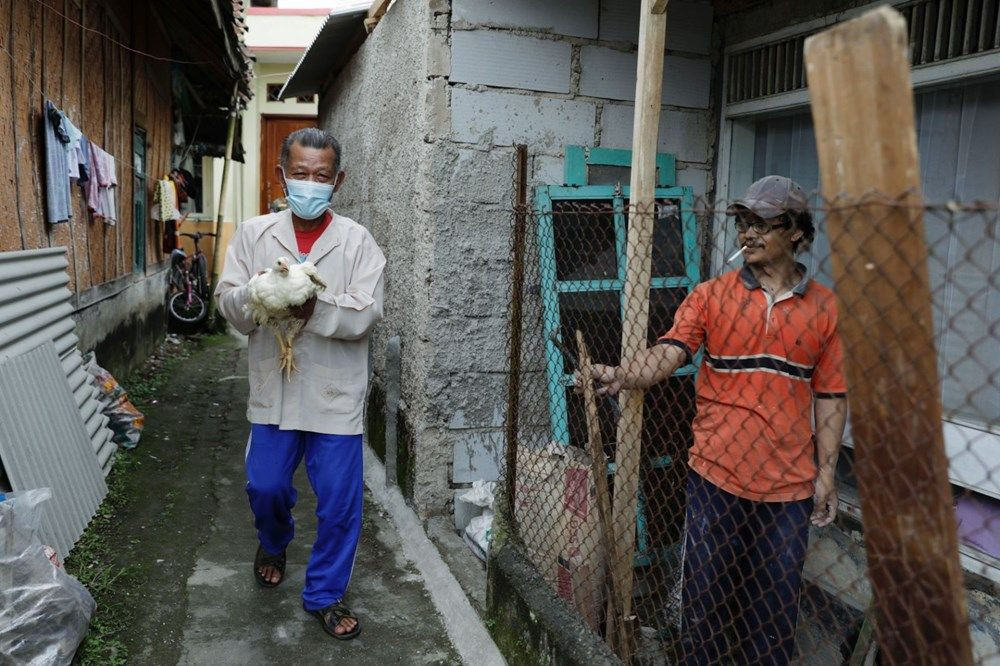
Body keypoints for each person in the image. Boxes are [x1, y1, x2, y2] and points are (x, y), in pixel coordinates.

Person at [580, 176, 847, 664]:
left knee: (772, 618)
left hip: (788, 489)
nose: (747, 233)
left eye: (761, 223)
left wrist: (826, 472)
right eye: (743, 222)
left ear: (795, 232)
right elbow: (668, 352)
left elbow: (830, 396)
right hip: (715, 477)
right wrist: (621, 374)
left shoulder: (825, 310)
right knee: (703, 608)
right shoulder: (711, 296)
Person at [215, 127, 385, 641]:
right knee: (265, 486)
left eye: (321, 175)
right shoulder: (254, 234)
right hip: (275, 389)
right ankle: (274, 541)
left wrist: (316, 308)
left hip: (335, 393)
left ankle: (325, 594)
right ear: (282, 175)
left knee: (338, 503)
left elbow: (366, 314)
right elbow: (227, 302)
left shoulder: (357, 242)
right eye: (301, 173)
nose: (310, 183)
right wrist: (259, 294)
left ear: (338, 181)